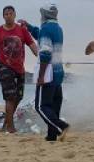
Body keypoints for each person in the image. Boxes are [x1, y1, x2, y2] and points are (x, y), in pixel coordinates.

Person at [0, 5, 39, 133]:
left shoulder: (22, 30)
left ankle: (5, 124)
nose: (8, 16)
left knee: (19, 96)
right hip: (5, 67)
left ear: (14, 15)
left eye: (10, 13)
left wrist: (43, 59)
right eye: (6, 14)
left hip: (19, 68)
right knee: (10, 97)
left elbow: (32, 46)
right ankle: (10, 127)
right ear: (3, 16)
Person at [21, 4, 69, 142]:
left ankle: (61, 127)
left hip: (49, 73)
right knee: (54, 105)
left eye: (42, 13)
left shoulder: (46, 28)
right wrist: (29, 27)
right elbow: (41, 35)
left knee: (41, 106)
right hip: (59, 72)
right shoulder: (58, 29)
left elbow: (46, 53)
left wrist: (41, 76)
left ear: (45, 14)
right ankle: (51, 135)